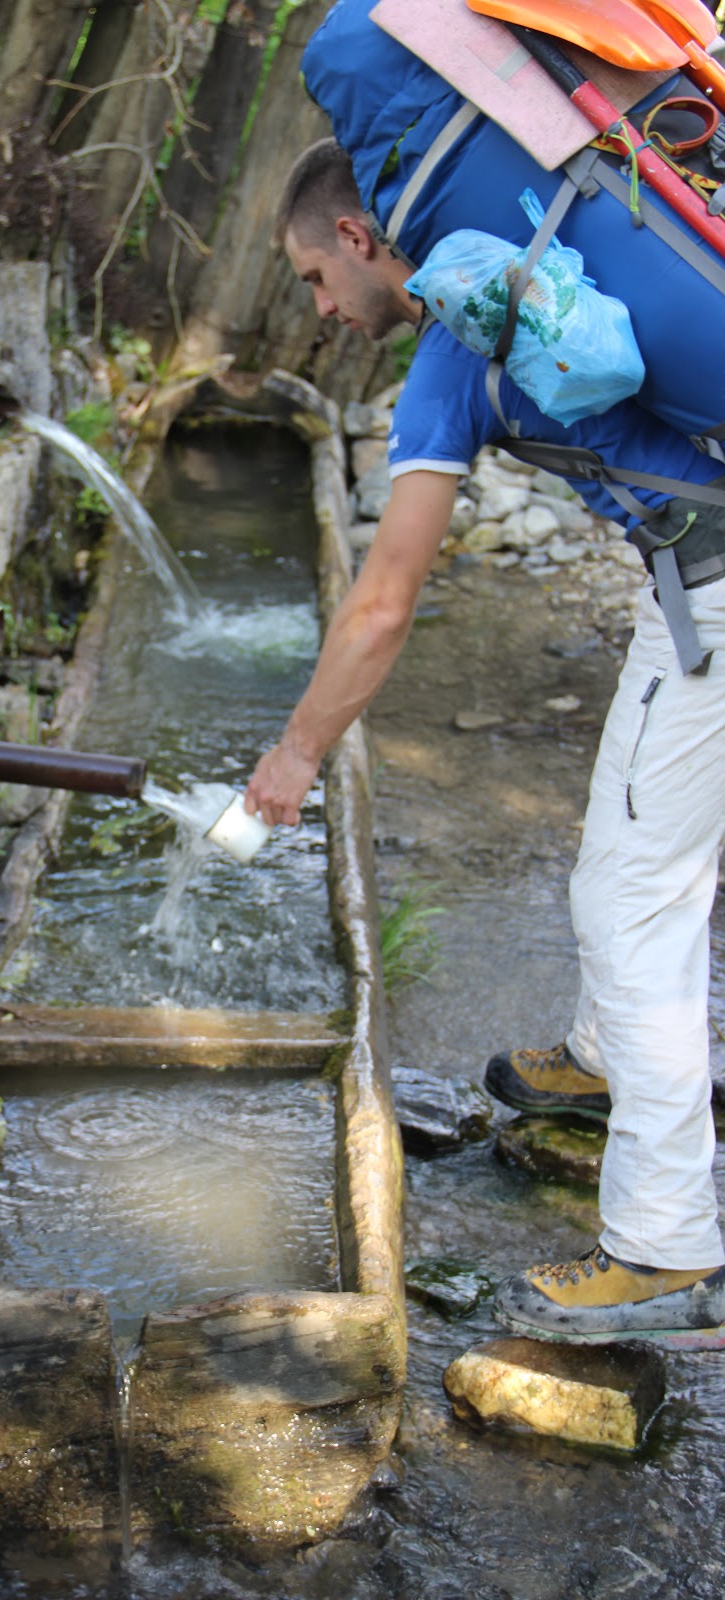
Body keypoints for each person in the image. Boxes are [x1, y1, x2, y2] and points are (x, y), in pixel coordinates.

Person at [244, 137, 725, 1343]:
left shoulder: (453, 354)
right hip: (683, 591)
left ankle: (665, 1251)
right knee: (628, 845)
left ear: (358, 239)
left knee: (634, 904)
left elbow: (381, 602)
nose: (317, 307)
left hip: (713, 594)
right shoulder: (503, 294)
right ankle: (602, 1057)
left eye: (311, 276)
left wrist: (294, 756)